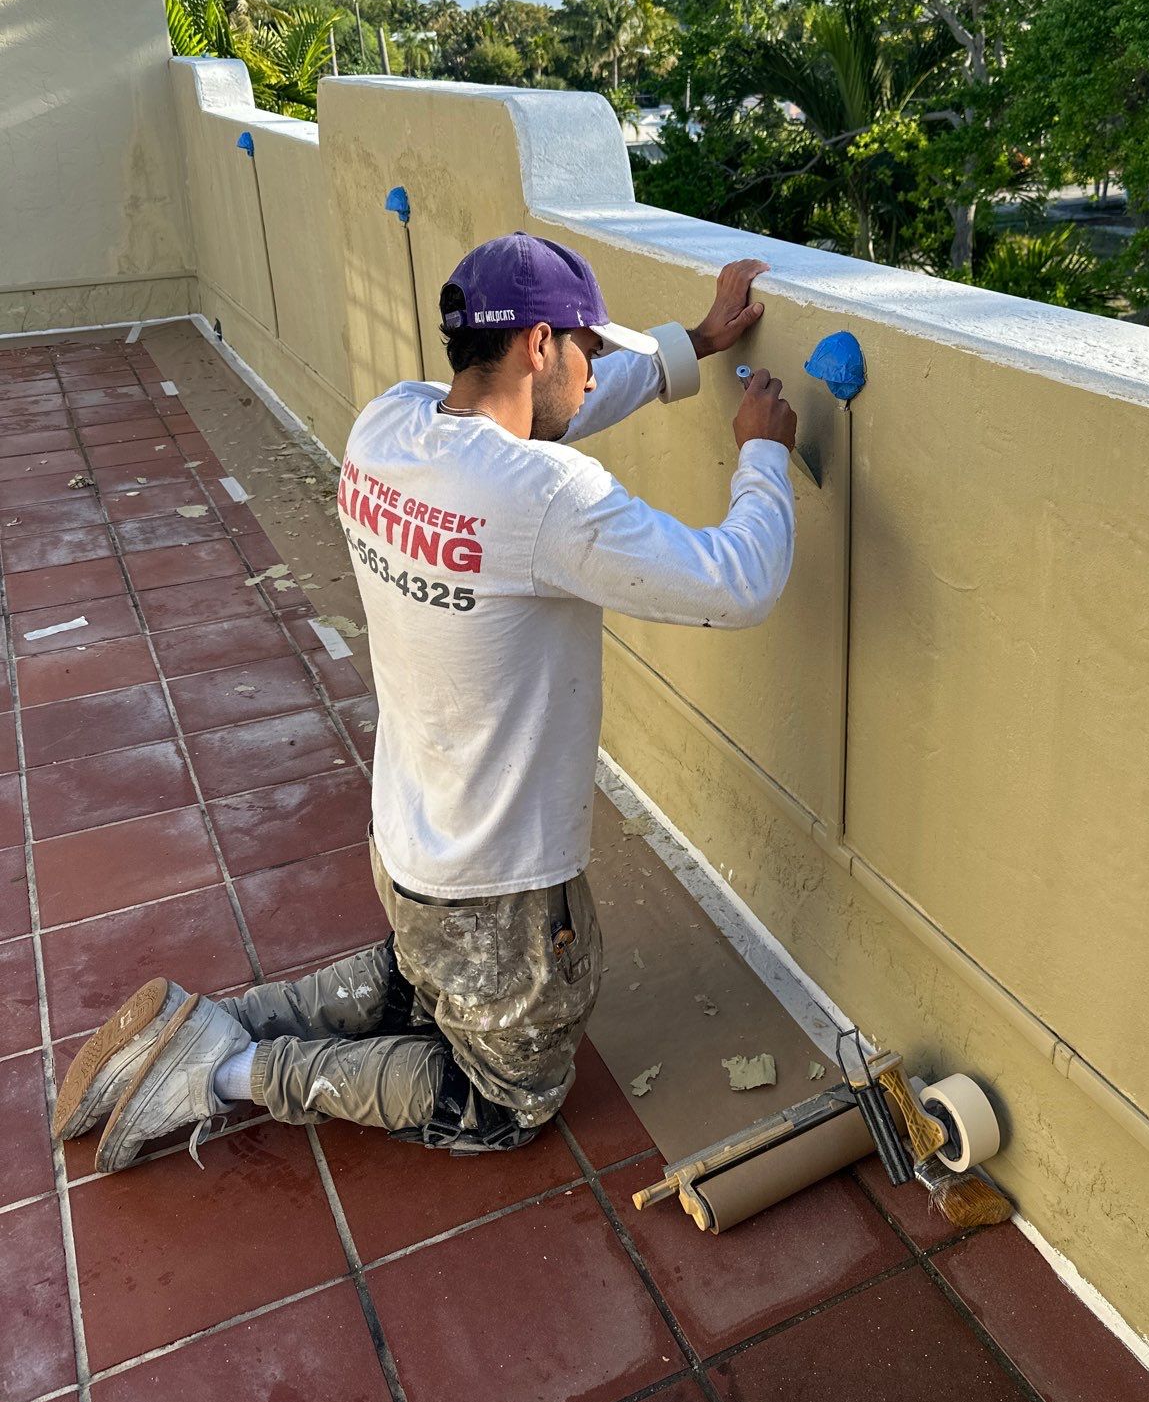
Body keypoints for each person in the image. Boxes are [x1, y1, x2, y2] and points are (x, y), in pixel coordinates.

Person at [54, 232, 797, 1170]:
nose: (593, 368)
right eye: (586, 346)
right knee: (504, 1100)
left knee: (423, 981)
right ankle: (225, 1071)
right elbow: (737, 583)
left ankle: (208, 1022)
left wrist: (687, 347)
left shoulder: (388, 426)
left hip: (407, 845)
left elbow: (539, 425)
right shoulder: (547, 498)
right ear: (538, 344)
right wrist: (762, 457)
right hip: (502, 885)